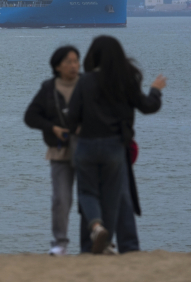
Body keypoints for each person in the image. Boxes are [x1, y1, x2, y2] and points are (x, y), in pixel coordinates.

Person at [68, 36, 166, 254]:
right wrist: (156, 90)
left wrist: (75, 128)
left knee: (86, 192)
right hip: (115, 147)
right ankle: (107, 243)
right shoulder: (127, 79)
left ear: (93, 55)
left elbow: (72, 116)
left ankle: (95, 230)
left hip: (87, 145)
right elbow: (148, 106)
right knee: (114, 200)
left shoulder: (84, 81)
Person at [24, 46, 80, 256]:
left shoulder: (88, 85)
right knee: (60, 199)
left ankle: (94, 241)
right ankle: (60, 243)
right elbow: (30, 116)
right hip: (60, 151)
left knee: (91, 197)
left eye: (76, 61)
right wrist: (52, 128)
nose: (74, 65)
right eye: (68, 62)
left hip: (87, 150)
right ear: (57, 66)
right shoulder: (48, 88)